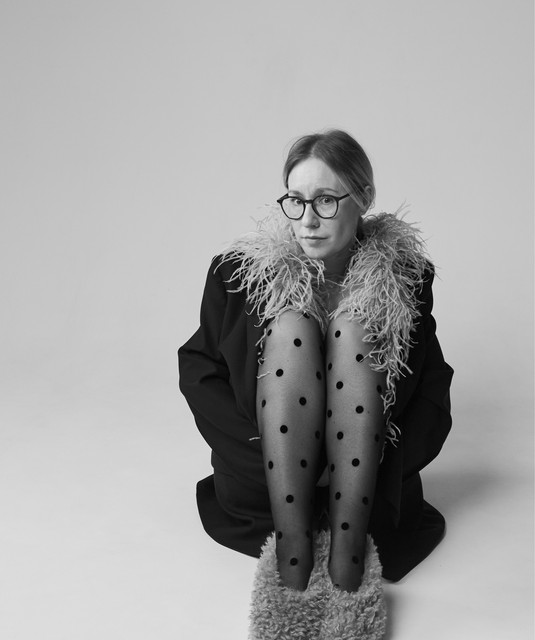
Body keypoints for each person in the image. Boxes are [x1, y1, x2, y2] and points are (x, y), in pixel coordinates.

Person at [178, 129, 453, 638]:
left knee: (353, 327)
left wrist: (378, 462)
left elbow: (431, 389)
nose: (307, 219)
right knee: (292, 327)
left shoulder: (406, 280)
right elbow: (199, 372)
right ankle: (293, 558)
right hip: (269, 480)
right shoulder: (238, 276)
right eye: (296, 200)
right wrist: (271, 456)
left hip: (367, 483)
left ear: (363, 198)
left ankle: (349, 564)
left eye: (326, 200)